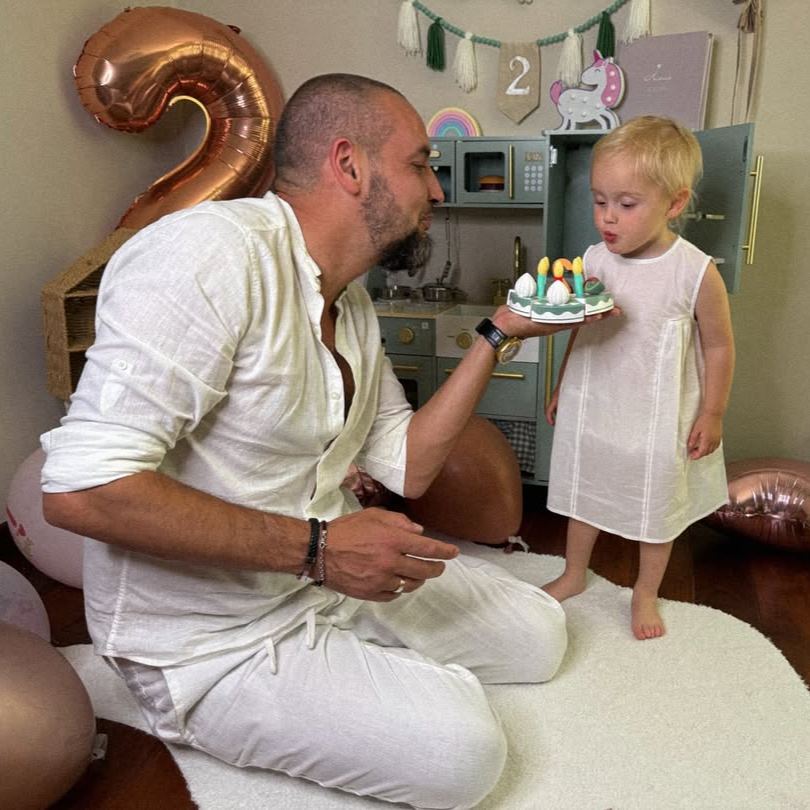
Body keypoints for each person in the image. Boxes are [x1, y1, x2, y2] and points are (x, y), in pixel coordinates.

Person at [40, 74, 614, 809]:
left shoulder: (354, 306)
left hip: (320, 580)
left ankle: (353, 662)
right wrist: (319, 549)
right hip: (208, 640)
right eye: (420, 165)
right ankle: (238, 703)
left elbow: (406, 463)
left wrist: (500, 333)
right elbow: (82, 489)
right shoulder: (209, 256)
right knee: (466, 753)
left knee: (538, 635)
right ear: (350, 165)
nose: (435, 192)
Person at [541, 115, 735, 640]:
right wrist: (562, 384)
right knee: (584, 489)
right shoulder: (594, 260)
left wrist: (712, 411)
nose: (607, 217)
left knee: (654, 504)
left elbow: (718, 345)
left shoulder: (693, 270)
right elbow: (579, 329)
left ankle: (645, 592)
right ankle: (575, 572)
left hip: (654, 415)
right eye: (599, 200)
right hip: (596, 400)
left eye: (626, 205)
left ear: (673, 203)